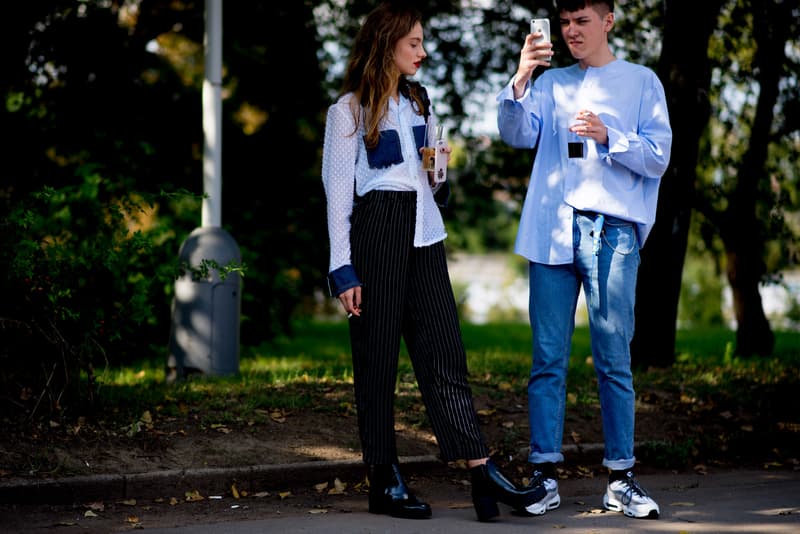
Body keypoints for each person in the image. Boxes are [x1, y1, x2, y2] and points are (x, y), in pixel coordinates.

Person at [321, 1, 545, 523]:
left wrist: (439, 173)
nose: (422, 51)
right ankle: (384, 477)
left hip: (424, 233)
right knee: (375, 362)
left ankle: (480, 470)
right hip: (375, 233)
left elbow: (429, 182)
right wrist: (342, 270)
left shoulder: (420, 103)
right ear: (387, 44)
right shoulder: (348, 111)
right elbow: (337, 196)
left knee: (445, 354)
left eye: (422, 42)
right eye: (414, 42)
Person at [495, 0, 672, 520]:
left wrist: (608, 136)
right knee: (546, 360)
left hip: (611, 233)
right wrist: (523, 74)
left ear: (608, 21)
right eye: (565, 23)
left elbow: (658, 156)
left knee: (614, 360)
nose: (571, 31)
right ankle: (543, 477)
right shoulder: (550, 84)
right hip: (551, 229)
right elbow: (515, 133)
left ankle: (621, 479)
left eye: (582, 21)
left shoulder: (641, 81)